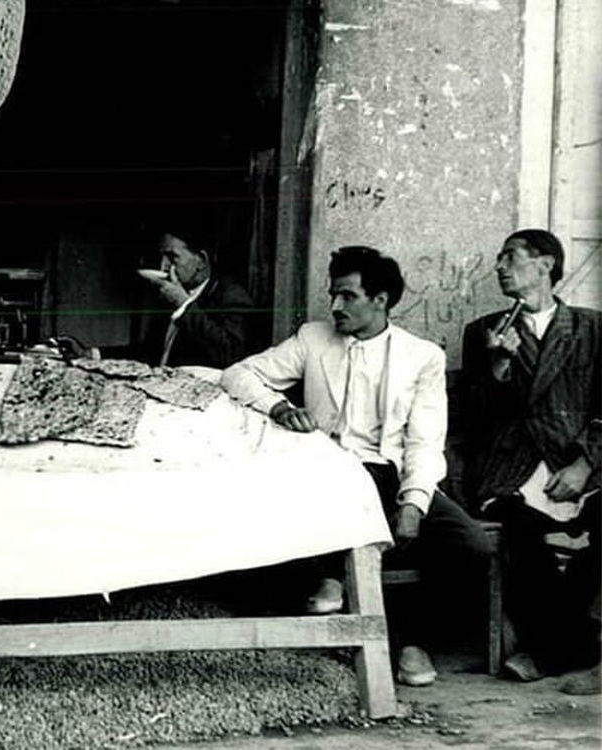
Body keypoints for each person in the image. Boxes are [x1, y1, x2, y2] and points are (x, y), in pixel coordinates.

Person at [220, 245, 493, 687]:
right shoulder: (313, 338)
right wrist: (279, 407)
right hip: (326, 475)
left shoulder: (422, 356)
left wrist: (414, 503)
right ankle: (369, 619)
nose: (335, 305)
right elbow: (237, 374)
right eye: (333, 294)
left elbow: (425, 442)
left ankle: (406, 631)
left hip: (392, 477)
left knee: (471, 546)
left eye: (347, 296)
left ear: (380, 300)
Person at [461, 229, 600, 694]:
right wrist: (498, 366)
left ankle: (547, 650)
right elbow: (475, 417)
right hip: (513, 469)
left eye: (510, 257)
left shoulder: (592, 328)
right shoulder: (483, 331)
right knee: (521, 539)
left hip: (575, 465)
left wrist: (584, 464)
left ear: (545, 264)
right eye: (499, 259)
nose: (499, 267)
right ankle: (574, 649)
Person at [137, 230, 257, 368]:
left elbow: (230, 354)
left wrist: (183, 304)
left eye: (172, 256)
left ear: (201, 260)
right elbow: (151, 352)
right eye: (162, 257)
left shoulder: (232, 296)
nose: (163, 266)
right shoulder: (169, 294)